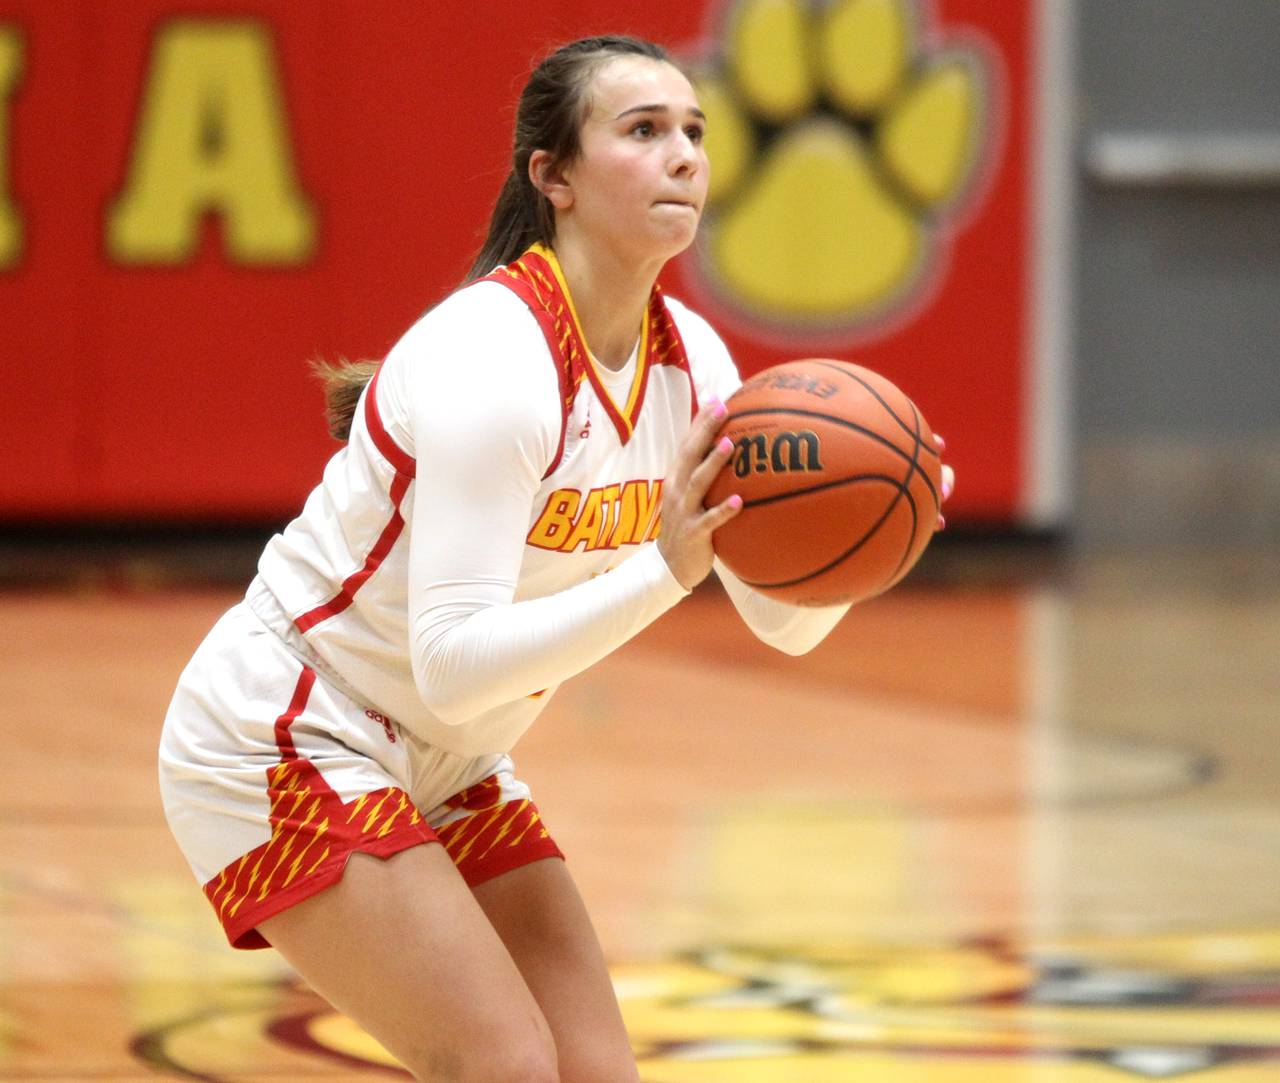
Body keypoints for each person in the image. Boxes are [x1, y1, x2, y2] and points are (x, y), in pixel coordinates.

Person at [159, 34, 951, 1083]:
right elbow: (449, 659)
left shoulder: (693, 366)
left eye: (695, 133)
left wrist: (872, 547)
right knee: (508, 1065)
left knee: (594, 1073)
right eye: (643, 130)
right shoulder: (495, 358)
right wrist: (663, 571)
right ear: (555, 177)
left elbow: (781, 621)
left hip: (451, 758)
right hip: (291, 730)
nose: (684, 157)